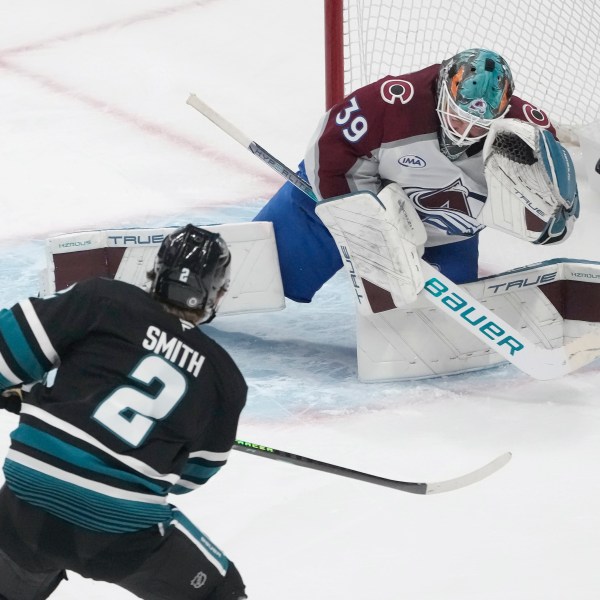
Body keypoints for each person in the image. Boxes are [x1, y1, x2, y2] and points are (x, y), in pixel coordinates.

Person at [0, 225, 248, 600]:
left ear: (154, 273)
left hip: (27, 503)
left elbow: (6, 351)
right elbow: (188, 478)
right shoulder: (224, 378)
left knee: (28, 549)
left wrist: (28, 393)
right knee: (221, 593)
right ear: (218, 293)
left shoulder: (104, 299)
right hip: (118, 534)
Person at [254, 48, 580, 304]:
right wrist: (368, 225)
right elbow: (329, 155)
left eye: (479, 125)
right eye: (458, 116)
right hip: (352, 205)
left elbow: (548, 213)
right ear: (442, 93)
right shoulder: (389, 103)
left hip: (447, 233)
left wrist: (552, 215)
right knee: (268, 271)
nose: (465, 131)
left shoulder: (526, 136)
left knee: (427, 318)